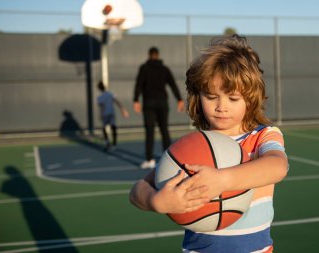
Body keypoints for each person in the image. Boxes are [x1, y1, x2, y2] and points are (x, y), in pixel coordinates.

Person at [129, 34, 288, 253]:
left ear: (251, 99)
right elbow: (138, 189)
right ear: (198, 96)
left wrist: (222, 180)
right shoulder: (194, 147)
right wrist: (155, 201)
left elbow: (278, 167)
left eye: (233, 98)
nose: (221, 106)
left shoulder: (262, 136)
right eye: (211, 96)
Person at [133, 46, 185, 169]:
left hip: (149, 103)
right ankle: (169, 159)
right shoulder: (164, 69)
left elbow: (139, 84)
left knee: (149, 132)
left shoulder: (144, 68)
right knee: (164, 130)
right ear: (158, 55)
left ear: (149, 55)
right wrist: (179, 99)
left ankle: (149, 159)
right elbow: (173, 84)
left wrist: (136, 100)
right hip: (162, 103)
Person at [97, 80, 129, 151]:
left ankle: (107, 142)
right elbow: (117, 101)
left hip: (105, 114)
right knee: (113, 127)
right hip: (111, 113)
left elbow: (102, 107)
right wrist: (122, 109)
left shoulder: (100, 97)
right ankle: (114, 143)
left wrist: (101, 115)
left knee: (104, 128)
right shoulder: (110, 94)